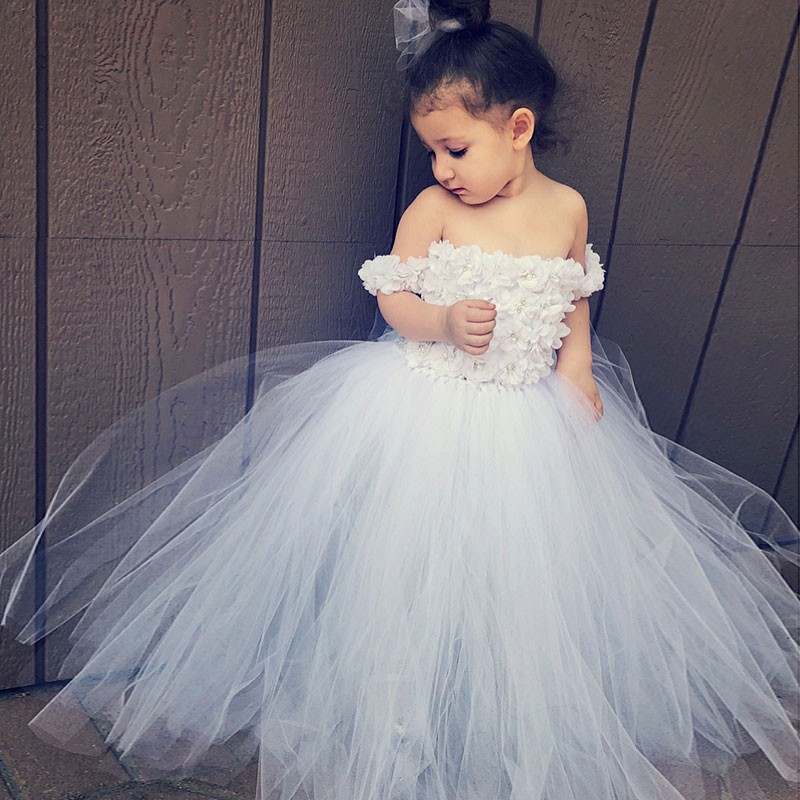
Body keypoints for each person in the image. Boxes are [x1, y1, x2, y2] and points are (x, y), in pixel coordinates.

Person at [1, 1, 798, 799]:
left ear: (518, 129)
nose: (443, 168)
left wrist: (579, 367)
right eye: (432, 152)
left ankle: (489, 696)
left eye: (456, 148)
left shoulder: (567, 208)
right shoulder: (436, 209)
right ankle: (391, 702)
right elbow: (394, 301)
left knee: (515, 568)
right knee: (409, 561)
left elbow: (574, 297)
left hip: (528, 415)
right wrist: (444, 320)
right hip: (426, 405)